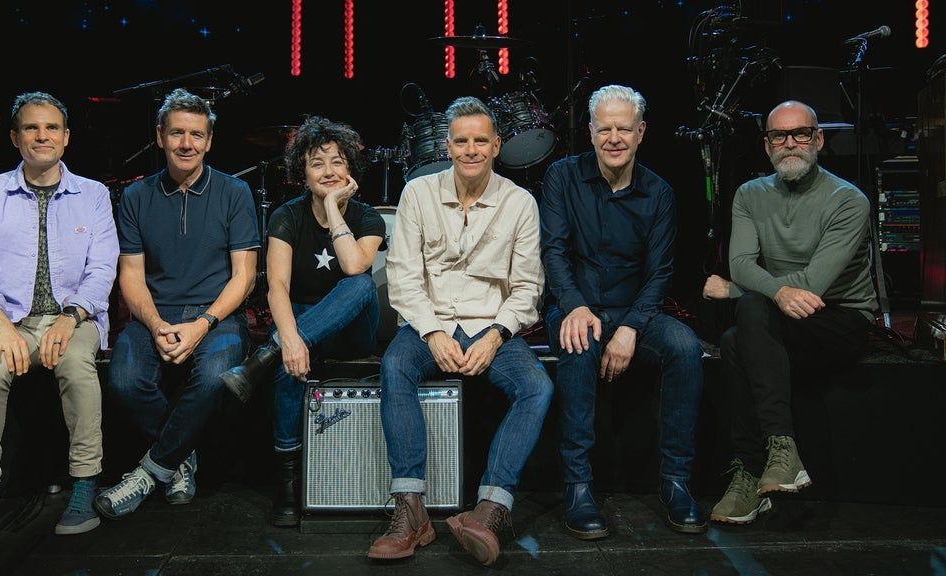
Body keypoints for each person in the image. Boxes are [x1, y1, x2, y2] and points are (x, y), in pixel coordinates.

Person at [367, 96, 552, 566]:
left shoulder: (520, 203)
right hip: (431, 323)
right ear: (447, 146)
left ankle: (490, 509)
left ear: (497, 146)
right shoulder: (418, 193)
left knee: (537, 387)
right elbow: (403, 277)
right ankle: (411, 511)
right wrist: (432, 333)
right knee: (395, 366)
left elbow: (528, 287)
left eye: (480, 141)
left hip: (492, 326)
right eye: (462, 141)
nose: (471, 150)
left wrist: (495, 335)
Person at [539, 84, 707, 539]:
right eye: (605, 129)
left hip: (635, 311)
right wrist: (575, 306)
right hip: (574, 305)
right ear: (591, 132)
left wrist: (631, 327)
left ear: (641, 132)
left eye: (624, 129)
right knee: (579, 342)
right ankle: (577, 486)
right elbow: (553, 252)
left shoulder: (660, 193)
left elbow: (660, 272)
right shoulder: (561, 177)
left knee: (685, 347)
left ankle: (676, 481)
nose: (614, 138)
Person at [0, 92, 119, 539]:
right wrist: (1, 326)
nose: (42, 136)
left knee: (77, 367)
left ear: (66, 137)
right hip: (10, 321)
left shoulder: (93, 195)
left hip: (74, 319)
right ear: (15, 137)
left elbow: (102, 270)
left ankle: (85, 482)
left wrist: (71, 316)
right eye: (31, 127)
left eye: (51, 128)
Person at [706, 100, 876, 524]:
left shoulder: (848, 201)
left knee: (740, 328)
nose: (790, 144)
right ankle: (776, 457)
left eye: (800, 133)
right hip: (777, 314)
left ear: (818, 140)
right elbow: (740, 263)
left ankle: (754, 468)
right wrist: (769, 290)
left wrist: (736, 290)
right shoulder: (750, 195)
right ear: (767, 146)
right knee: (740, 329)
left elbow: (814, 284)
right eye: (778, 136)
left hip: (840, 316)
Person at [95, 88, 260, 520]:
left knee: (215, 377)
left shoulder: (235, 192)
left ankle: (149, 471)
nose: (187, 144)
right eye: (177, 134)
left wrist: (202, 324)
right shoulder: (136, 196)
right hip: (157, 314)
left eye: (196, 135)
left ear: (209, 141)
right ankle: (180, 457)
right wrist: (154, 325)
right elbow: (131, 276)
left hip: (217, 316)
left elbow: (244, 276)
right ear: (159, 137)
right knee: (124, 382)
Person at [219, 115, 386, 527]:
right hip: (303, 322)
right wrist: (291, 341)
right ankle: (289, 483)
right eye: (317, 163)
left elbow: (354, 266)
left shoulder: (368, 218)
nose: (328, 171)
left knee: (360, 286)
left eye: (337, 162)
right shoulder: (287, 216)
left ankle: (267, 353)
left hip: (352, 331)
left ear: (350, 169)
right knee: (288, 357)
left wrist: (331, 208)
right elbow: (276, 285)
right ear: (302, 172)